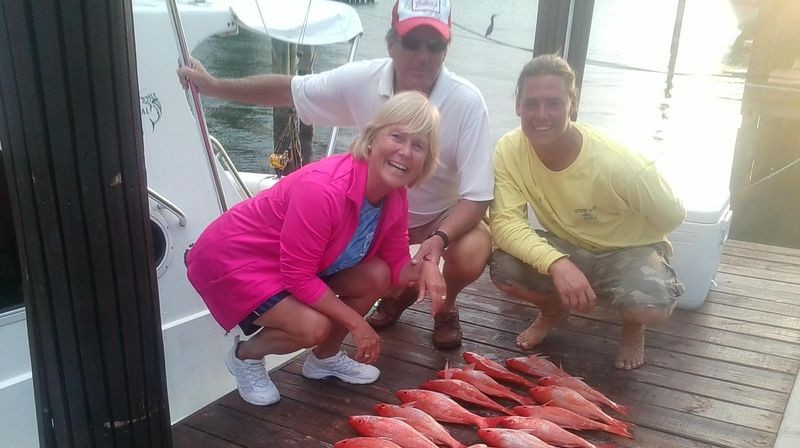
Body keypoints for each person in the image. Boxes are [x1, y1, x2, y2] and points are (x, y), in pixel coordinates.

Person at [178, 0, 493, 350]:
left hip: (419, 222)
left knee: (467, 248)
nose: (423, 54)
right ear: (390, 43)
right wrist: (214, 87)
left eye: (434, 45)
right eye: (412, 42)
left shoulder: (466, 104)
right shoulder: (328, 180)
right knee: (322, 317)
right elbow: (291, 90)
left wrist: (434, 251)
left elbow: (479, 195)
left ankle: (431, 310)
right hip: (299, 244)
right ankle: (250, 354)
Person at [186, 92, 446, 406]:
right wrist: (356, 323)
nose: (405, 152)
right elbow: (298, 276)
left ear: (426, 160)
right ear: (372, 138)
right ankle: (245, 355)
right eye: (397, 137)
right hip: (236, 259)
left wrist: (428, 264)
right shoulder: (322, 189)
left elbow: (395, 266)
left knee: (377, 274)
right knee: (313, 327)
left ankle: (324, 360)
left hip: (298, 266)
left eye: (418, 145)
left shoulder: (395, 196)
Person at [489, 55, 686, 370]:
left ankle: (633, 324)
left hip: (629, 250)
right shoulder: (509, 149)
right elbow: (505, 223)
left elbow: (673, 214)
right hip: (569, 247)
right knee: (503, 268)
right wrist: (557, 263)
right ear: (518, 106)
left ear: (573, 104)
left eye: (554, 103)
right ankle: (554, 311)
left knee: (651, 306)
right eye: (531, 104)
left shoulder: (618, 162)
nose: (541, 115)